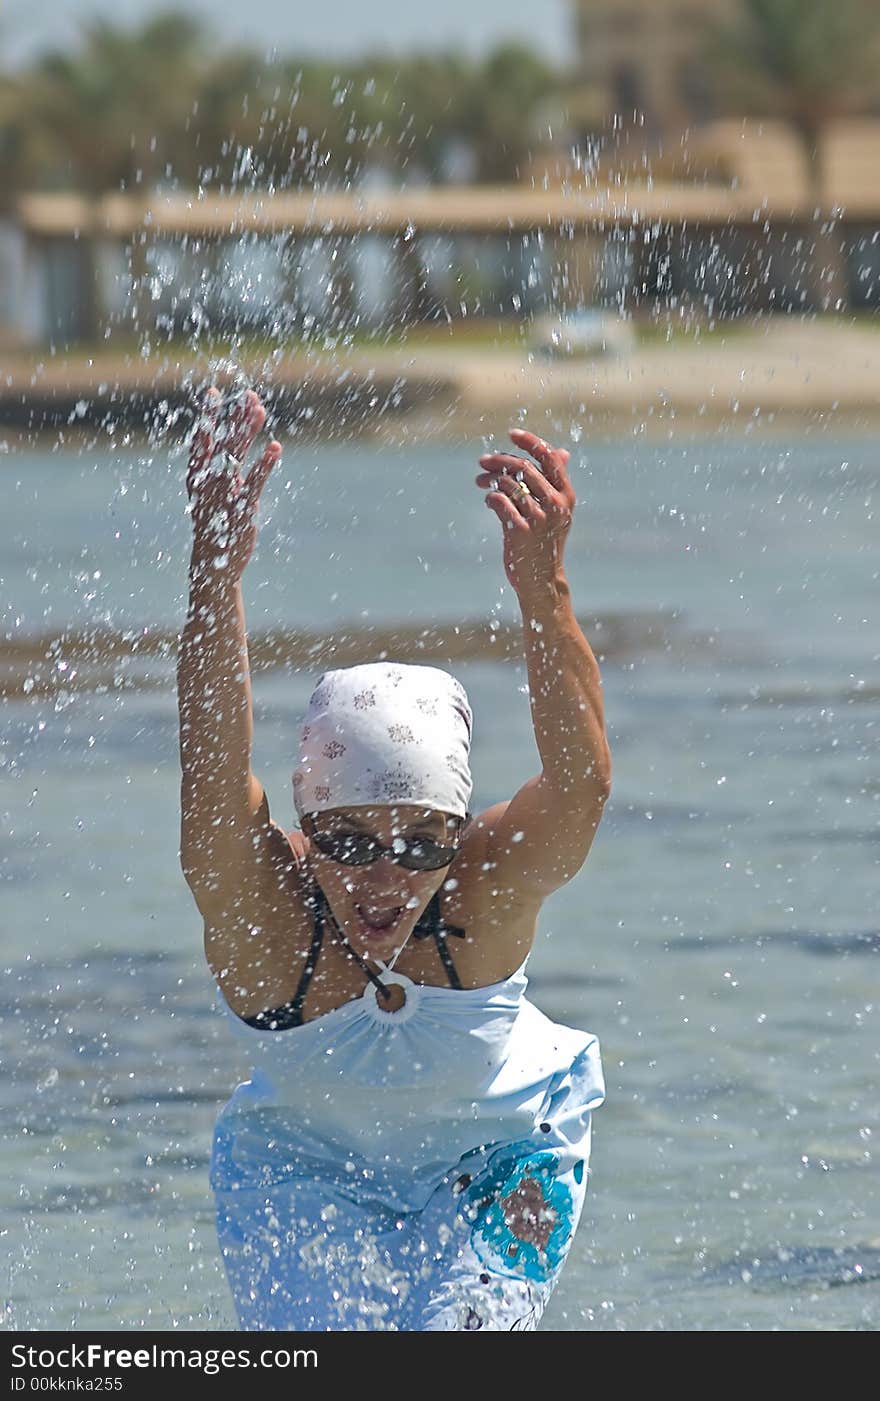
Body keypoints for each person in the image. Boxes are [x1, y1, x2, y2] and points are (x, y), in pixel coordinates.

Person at [177, 387, 611, 1331]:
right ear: (303, 826)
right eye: (348, 842)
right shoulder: (267, 916)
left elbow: (580, 789)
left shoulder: (481, 892)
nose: (386, 876)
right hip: (299, 1169)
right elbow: (212, 777)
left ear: (458, 835)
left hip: (507, 1152)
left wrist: (544, 586)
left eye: (420, 843)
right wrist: (215, 575)